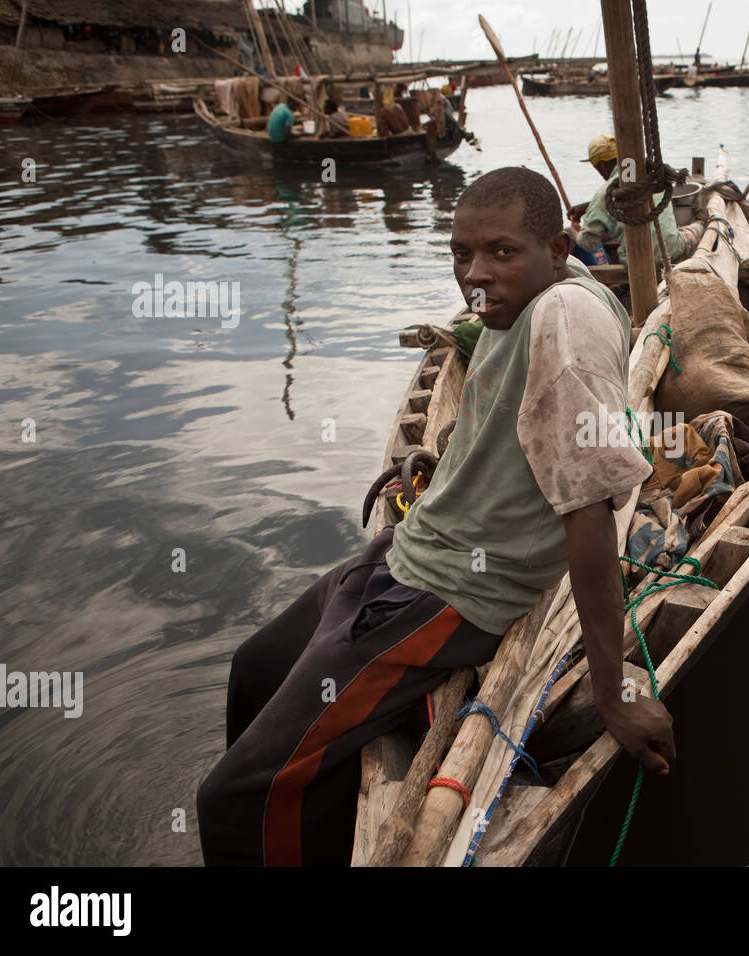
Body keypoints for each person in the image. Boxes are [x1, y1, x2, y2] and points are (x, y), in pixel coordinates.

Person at [197, 167, 673, 866]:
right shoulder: (522, 309)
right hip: (406, 551)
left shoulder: (565, 326)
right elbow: (506, 417)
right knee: (255, 667)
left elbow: (592, 516)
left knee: (234, 797)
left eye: (503, 253)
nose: (476, 276)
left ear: (559, 247)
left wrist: (612, 691)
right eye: (461, 254)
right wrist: (443, 458)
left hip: (446, 596)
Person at [567, 134, 704, 268]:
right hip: (673, 251)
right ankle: (705, 222)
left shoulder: (603, 194)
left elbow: (589, 244)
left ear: (601, 165)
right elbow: (630, 193)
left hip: (632, 261)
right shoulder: (651, 176)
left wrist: (571, 232)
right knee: (700, 226)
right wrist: (588, 206)